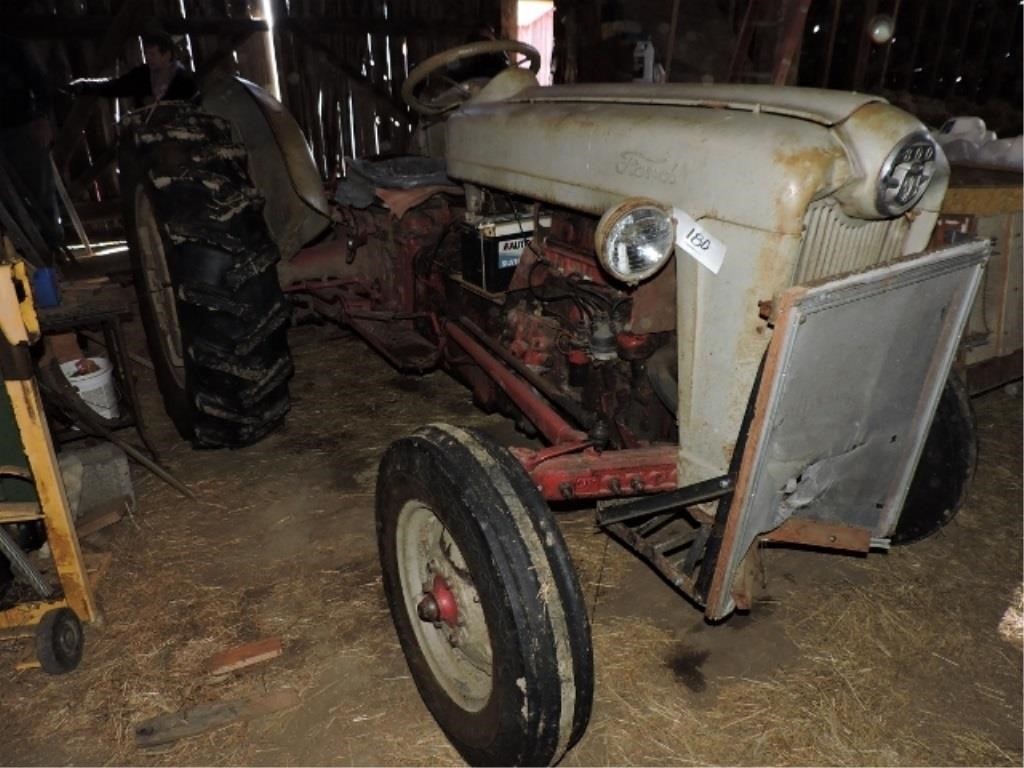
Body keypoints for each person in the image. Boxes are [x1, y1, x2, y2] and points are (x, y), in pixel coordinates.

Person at [0, 34, 62, 249]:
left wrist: (42, 118)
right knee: (7, 200)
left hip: (22, 127)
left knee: (40, 191)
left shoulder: (10, 46)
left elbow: (39, 82)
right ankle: (19, 251)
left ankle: (50, 248)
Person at [68, 31, 197, 107]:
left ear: (167, 55)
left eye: (152, 54)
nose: (148, 58)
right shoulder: (142, 76)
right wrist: (85, 86)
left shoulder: (185, 80)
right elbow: (116, 86)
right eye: (146, 54)